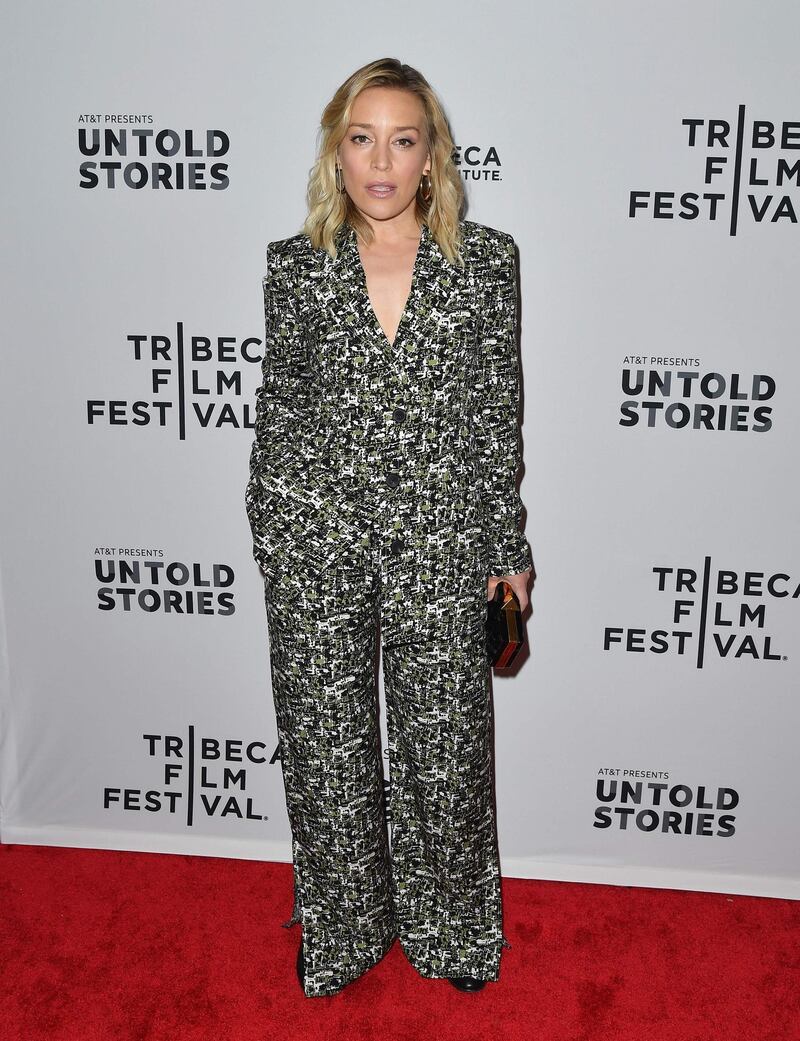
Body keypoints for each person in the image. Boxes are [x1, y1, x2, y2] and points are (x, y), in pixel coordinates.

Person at [245, 57, 533, 999]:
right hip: (317, 547)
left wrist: (508, 554)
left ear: (431, 156)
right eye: (361, 138)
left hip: (442, 547)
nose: (380, 160)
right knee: (326, 748)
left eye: (402, 139)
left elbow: (497, 417)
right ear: (337, 153)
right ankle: (345, 927)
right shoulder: (294, 267)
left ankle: (452, 926)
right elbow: (280, 412)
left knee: (446, 753)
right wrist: (275, 538)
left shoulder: (487, 263)